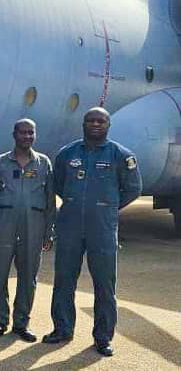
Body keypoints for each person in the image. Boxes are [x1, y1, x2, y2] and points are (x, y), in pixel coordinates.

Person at [43, 107, 141, 356]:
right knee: (64, 280)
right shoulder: (67, 153)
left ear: (108, 125)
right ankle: (62, 329)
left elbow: (133, 189)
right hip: (70, 227)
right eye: (91, 121)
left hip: (102, 229)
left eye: (101, 121)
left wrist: (107, 206)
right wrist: (77, 203)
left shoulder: (120, 155)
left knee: (105, 285)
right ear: (83, 124)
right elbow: (59, 185)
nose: (96, 124)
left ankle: (103, 337)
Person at [0, 119, 55, 342]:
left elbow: (50, 201)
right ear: (14, 134)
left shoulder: (43, 163)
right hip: (2, 225)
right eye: (22, 132)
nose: (27, 136)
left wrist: (48, 232)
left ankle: (21, 323)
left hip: (33, 227)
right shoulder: (0, 163)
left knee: (28, 277)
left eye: (31, 133)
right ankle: (0, 319)